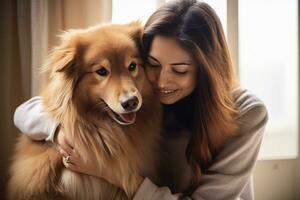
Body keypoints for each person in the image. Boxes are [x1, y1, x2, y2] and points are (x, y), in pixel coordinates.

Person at [13, 0, 268, 199]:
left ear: (207, 69)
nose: (161, 82)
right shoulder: (146, 99)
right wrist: (57, 131)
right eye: (153, 65)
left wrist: (111, 173)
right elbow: (28, 110)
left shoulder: (247, 113)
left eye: (179, 70)